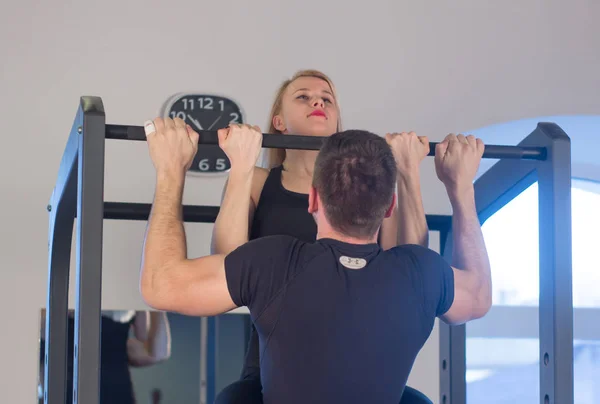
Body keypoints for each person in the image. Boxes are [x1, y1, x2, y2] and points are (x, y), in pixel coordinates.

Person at [138, 119, 492, 403]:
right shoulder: (421, 271)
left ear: (313, 199)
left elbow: (160, 285)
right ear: (389, 208)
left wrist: (171, 170)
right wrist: (461, 188)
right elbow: (477, 297)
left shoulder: (274, 263)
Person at [210, 70, 432, 403]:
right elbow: (224, 263)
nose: (318, 101)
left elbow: (412, 266)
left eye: (327, 98)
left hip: (363, 365)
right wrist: (240, 167)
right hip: (274, 368)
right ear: (280, 122)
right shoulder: (255, 180)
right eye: (303, 96)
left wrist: (406, 172)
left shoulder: (367, 186)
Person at [38, 310, 172, 404]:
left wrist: (156, 300)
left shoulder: (119, 344)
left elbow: (156, 351)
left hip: (115, 393)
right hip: (73, 390)